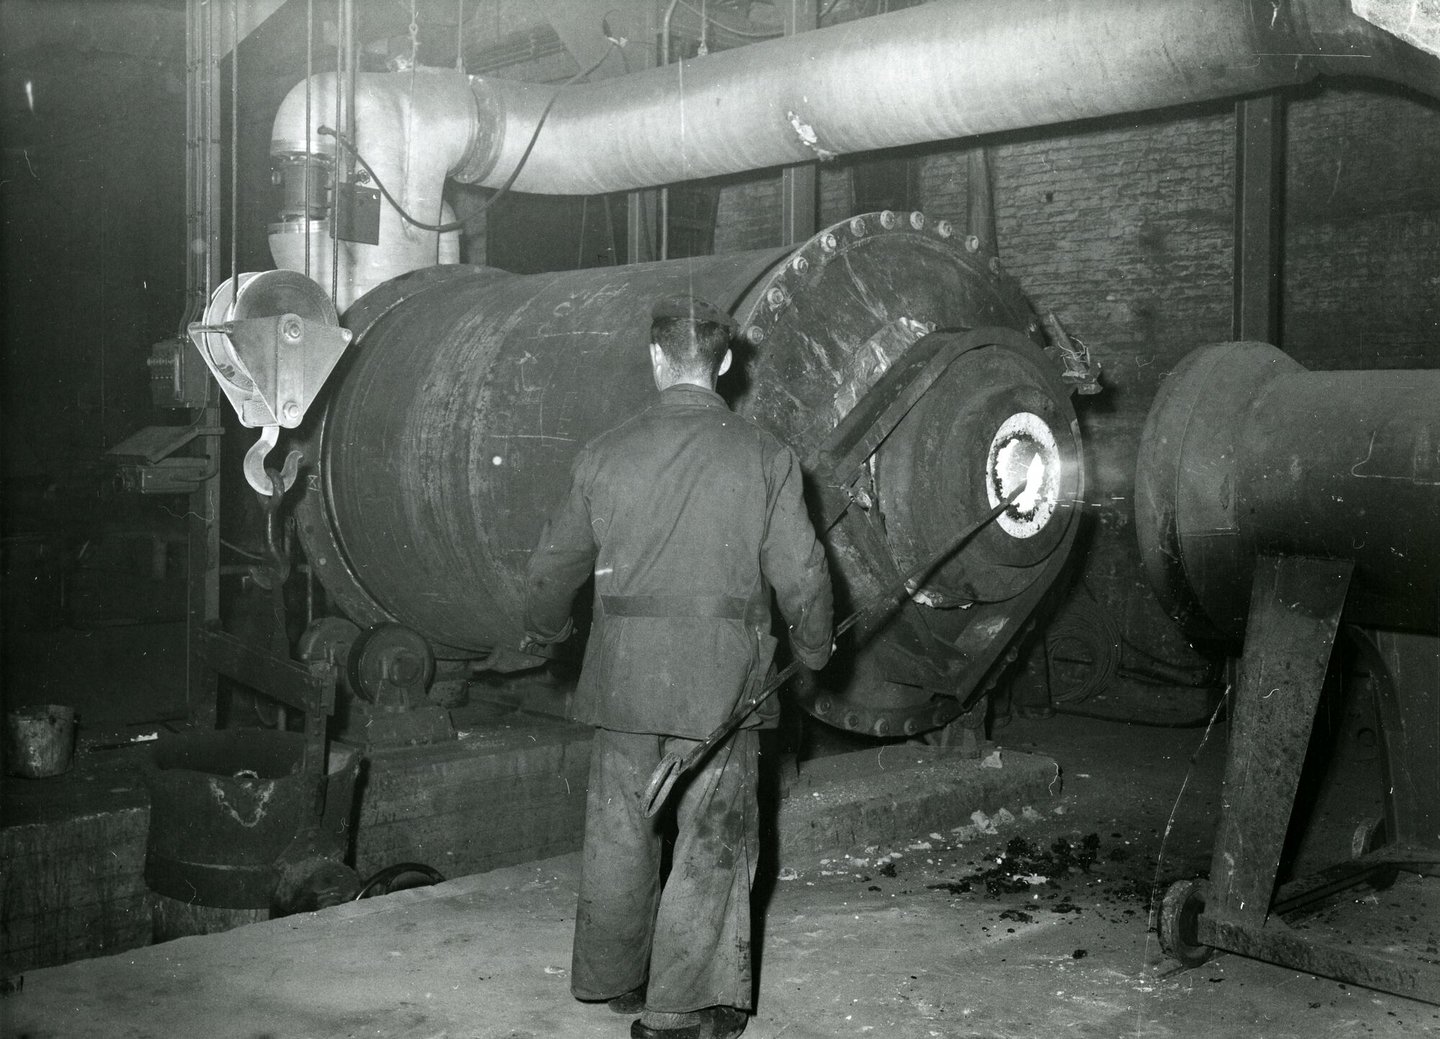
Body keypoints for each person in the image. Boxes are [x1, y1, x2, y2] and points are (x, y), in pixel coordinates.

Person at [522, 293, 834, 1039]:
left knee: (620, 829)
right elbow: (804, 574)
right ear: (724, 364)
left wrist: (549, 631)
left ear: (656, 360)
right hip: (721, 683)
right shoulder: (765, 455)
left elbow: (548, 570)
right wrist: (817, 647)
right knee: (712, 837)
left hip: (623, 677)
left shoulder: (602, 453)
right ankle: (683, 1008)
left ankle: (618, 977)